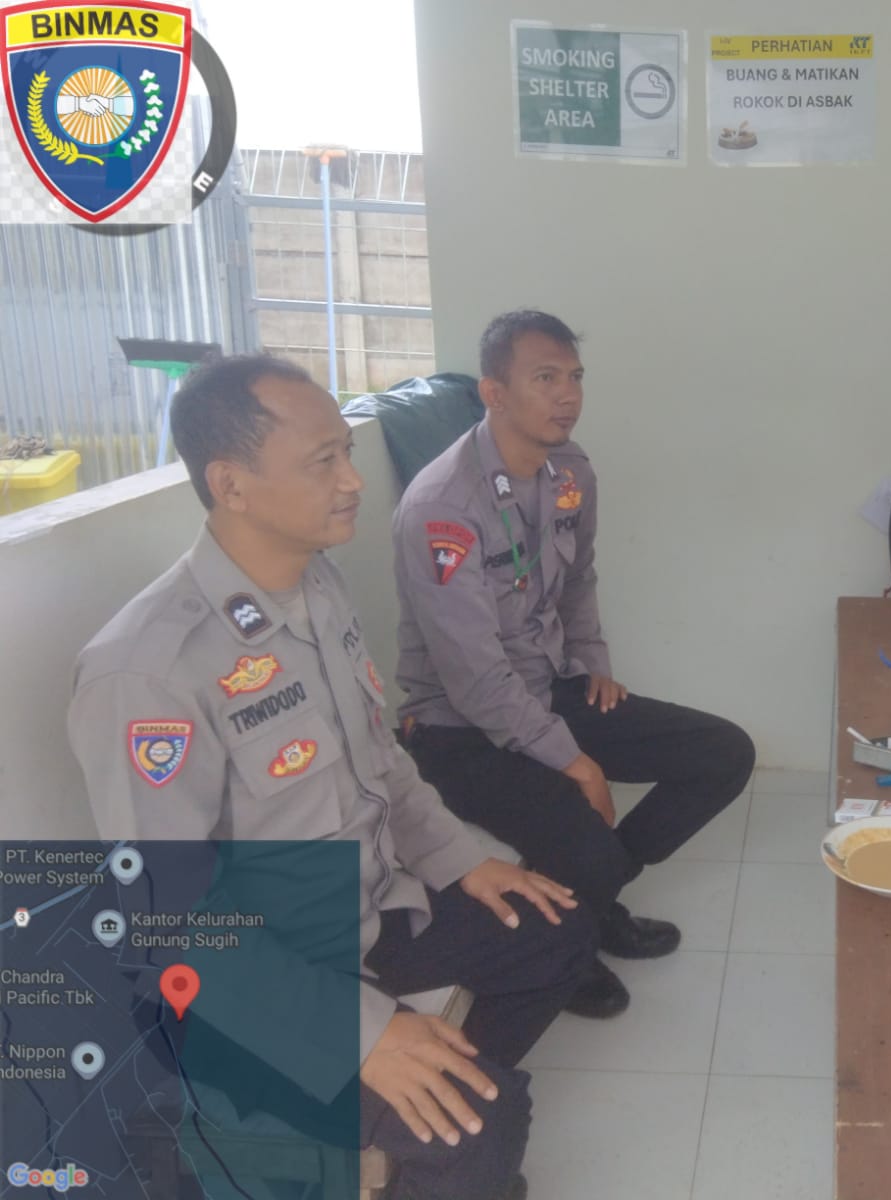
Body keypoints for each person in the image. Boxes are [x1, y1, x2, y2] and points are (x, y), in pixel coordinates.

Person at [67, 355, 597, 1200]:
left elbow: (381, 760)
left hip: (368, 912)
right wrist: (360, 1035)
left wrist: (464, 860)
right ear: (232, 484)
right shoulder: (147, 671)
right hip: (252, 982)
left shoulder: (317, 584)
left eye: (347, 452)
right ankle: (401, 1130)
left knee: (559, 931)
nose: (354, 480)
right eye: (324, 461)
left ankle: (414, 1110)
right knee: (485, 1129)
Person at [391, 310, 757, 1016]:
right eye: (545, 378)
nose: (568, 395)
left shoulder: (569, 470)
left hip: (548, 686)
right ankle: (572, 936)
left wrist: (590, 659)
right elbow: (475, 681)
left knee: (723, 753)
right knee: (584, 833)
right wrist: (577, 763)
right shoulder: (443, 508)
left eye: (575, 377)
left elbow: (579, 577)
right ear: (494, 393)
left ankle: (593, 898)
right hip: (459, 730)